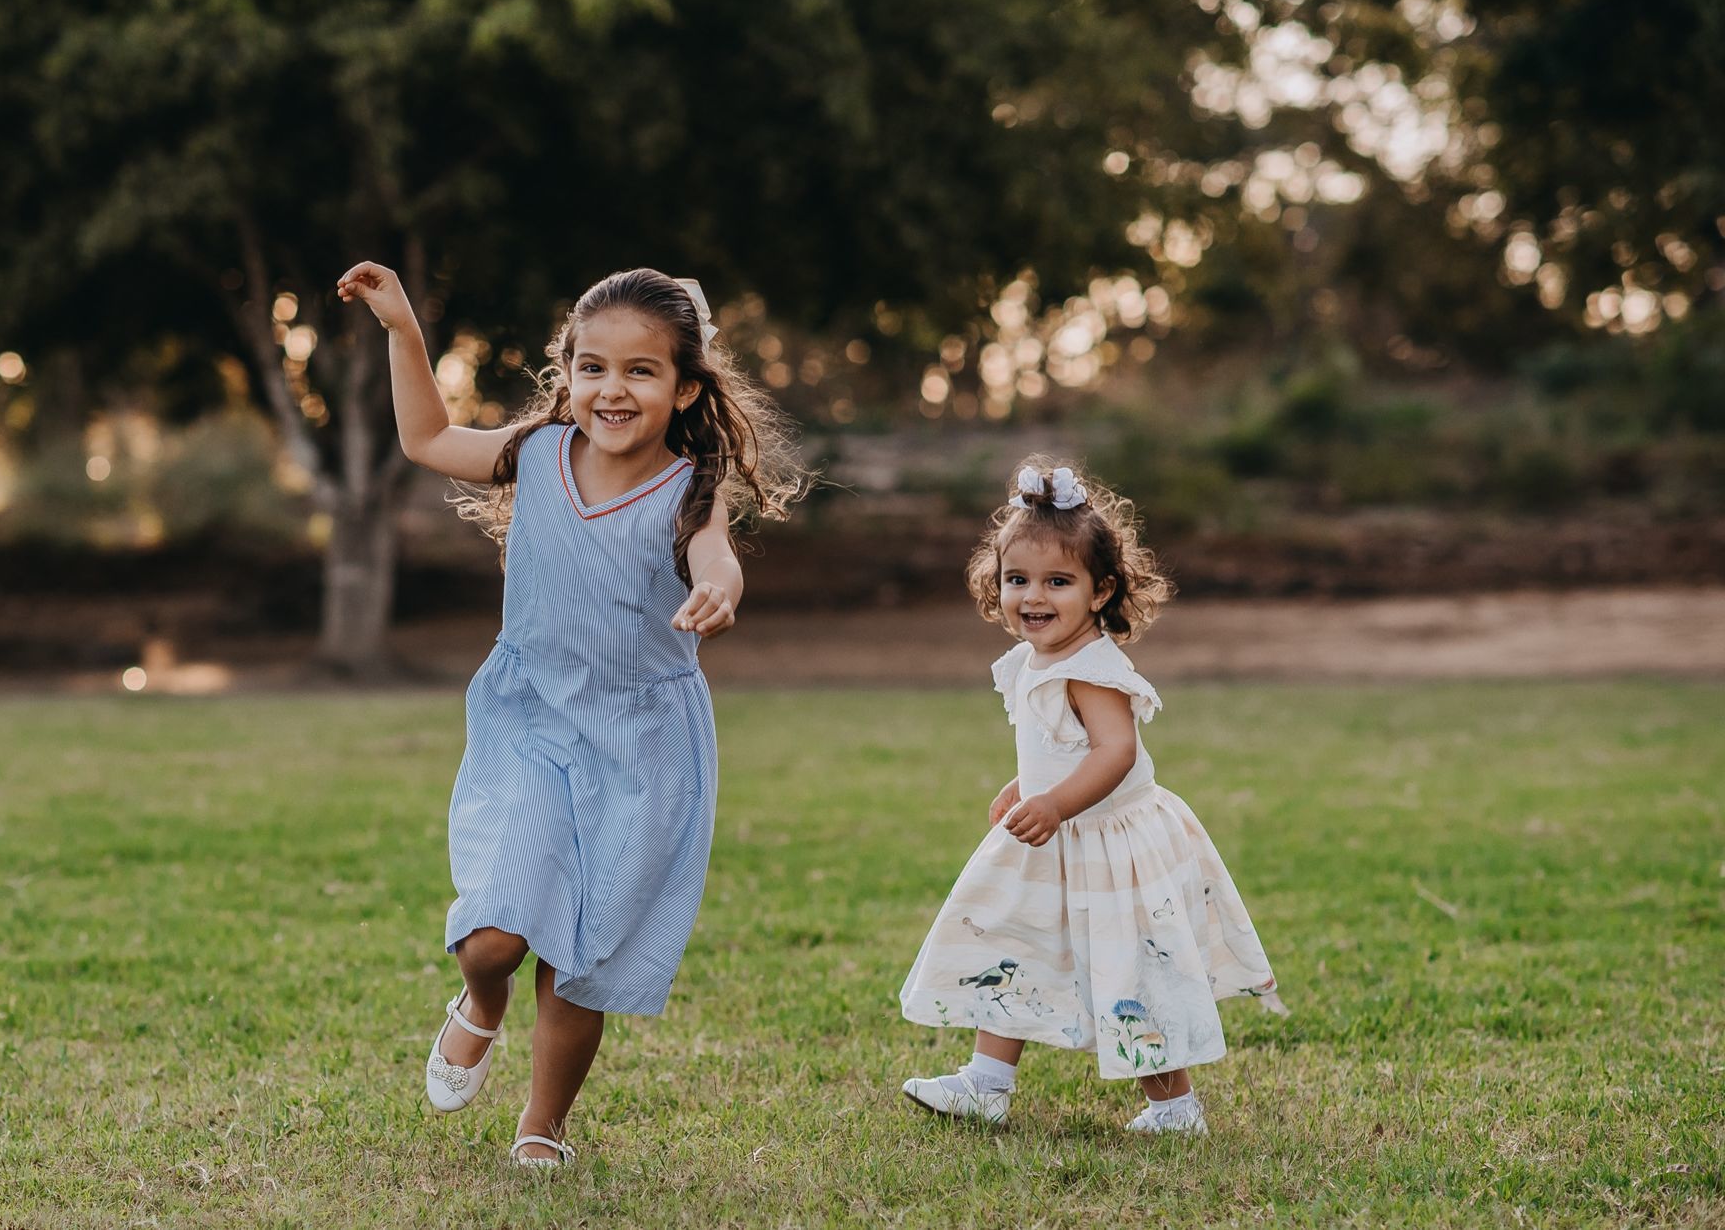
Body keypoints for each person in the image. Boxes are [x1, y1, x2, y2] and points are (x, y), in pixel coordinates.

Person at [337, 263, 806, 1167]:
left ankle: (542, 1123)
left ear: (684, 388)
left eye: (641, 371)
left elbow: (716, 557)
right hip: (535, 724)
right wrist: (403, 331)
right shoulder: (537, 452)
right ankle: (480, 1002)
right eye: (592, 367)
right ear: (567, 373)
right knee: (494, 936)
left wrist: (718, 588)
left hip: (642, 746)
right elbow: (430, 438)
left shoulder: (688, 491)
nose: (613, 389)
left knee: (582, 958)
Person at [897, 459, 1283, 1136]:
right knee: (1008, 944)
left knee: (1131, 970)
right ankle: (987, 1083)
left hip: (1109, 846)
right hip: (1055, 840)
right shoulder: (1037, 660)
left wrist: (1054, 804)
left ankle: (1174, 1106)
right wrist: (1028, 788)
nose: (1032, 596)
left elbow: (1115, 753)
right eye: (1017, 579)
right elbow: (1060, 746)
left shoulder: (1093, 669)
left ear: (1101, 590)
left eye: (1057, 582)